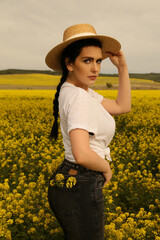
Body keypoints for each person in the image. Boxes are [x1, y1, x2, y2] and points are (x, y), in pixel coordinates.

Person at [45, 23, 131, 240]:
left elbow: (122, 106)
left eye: (98, 61)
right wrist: (106, 167)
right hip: (81, 182)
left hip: (71, 181)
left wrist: (122, 67)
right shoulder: (80, 97)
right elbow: (82, 154)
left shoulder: (78, 91)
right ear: (69, 63)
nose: (95, 69)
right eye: (87, 61)